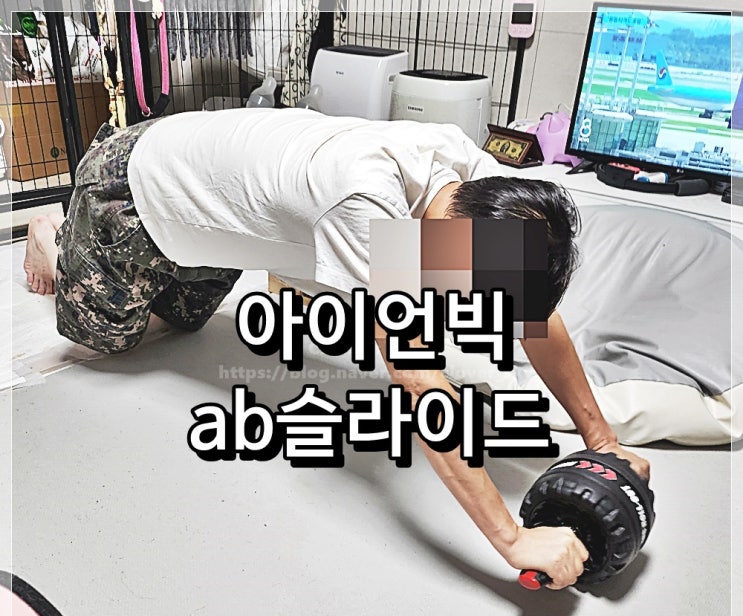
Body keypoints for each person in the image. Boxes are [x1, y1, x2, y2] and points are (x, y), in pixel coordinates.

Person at [23, 108, 650, 590]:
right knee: (111, 342)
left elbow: (537, 316)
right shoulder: (364, 203)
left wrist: (602, 442)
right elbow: (420, 384)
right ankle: (53, 234)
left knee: (184, 324)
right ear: (462, 257)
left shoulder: (476, 187)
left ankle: (135, 256)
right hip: (132, 183)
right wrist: (512, 539)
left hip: (206, 204)